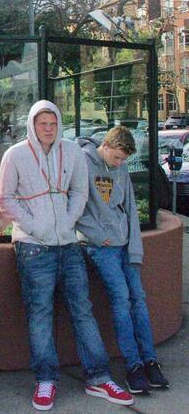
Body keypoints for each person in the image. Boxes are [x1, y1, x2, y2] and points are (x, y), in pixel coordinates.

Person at [0, 100, 134, 411]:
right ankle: (46, 379)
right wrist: (36, 227)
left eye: (53, 123)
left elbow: (79, 191)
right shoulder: (15, 155)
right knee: (40, 314)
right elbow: (5, 199)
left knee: (82, 310)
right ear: (32, 125)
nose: (48, 128)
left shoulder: (71, 152)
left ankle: (99, 377)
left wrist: (69, 221)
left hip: (68, 244)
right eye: (42, 123)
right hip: (33, 247)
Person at [76, 127, 170, 394]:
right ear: (106, 146)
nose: (119, 164)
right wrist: (95, 234)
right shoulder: (83, 162)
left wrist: (135, 249)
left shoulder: (121, 169)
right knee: (121, 299)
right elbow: (73, 206)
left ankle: (149, 359)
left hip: (125, 244)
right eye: (116, 158)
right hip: (101, 247)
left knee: (138, 299)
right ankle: (133, 366)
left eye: (123, 160)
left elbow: (130, 208)